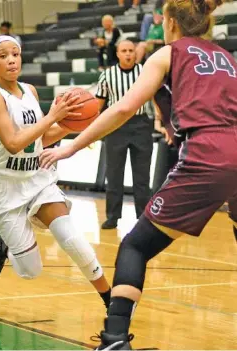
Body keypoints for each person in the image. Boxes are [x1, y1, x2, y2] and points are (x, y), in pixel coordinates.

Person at [40, 0, 237, 348]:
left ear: (169, 23)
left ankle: (114, 336)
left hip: (209, 153)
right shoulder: (228, 59)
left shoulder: (168, 53)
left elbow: (125, 107)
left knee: (135, 246)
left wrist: (70, 146)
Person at [0, 35, 112, 311]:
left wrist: (72, 123)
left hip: (38, 179)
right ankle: (2, 239)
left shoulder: (29, 91)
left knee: (71, 237)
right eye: (3, 56)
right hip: (4, 188)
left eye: (15, 54)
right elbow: (14, 143)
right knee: (31, 270)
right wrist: (53, 116)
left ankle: (111, 300)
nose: (12, 59)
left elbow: (42, 139)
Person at [95, 40, 153, 230]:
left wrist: (162, 122)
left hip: (141, 124)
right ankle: (112, 217)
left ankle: (144, 217)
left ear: (135, 52)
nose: (128, 54)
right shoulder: (107, 75)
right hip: (115, 127)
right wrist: (92, 128)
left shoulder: (145, 71)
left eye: (131, 50)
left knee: (142, 175)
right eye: (124, 51)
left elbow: (156, 97)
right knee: (114, 174)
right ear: (117, 53)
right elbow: (98, 105)